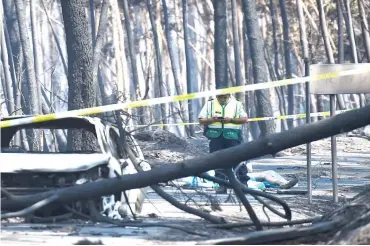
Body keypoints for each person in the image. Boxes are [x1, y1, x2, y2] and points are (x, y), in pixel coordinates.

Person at [198, 88, 249, 194]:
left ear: (229, 96)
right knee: (217, 160)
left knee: (238, 158)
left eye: (225, 97)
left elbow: (244, 119)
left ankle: (243, 183)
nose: (223, 100)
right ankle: (221, 184)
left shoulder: (236, 104)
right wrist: (212, 119)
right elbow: (201, 120)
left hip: (233, 136)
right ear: (216, 97)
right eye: (221, 97)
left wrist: (231, 120)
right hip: (216, 136)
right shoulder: (210, 104)